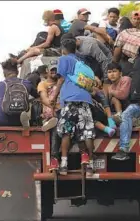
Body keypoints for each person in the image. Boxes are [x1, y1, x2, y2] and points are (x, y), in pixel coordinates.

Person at [0, 58, 39, 170]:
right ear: (17, 71)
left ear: (4, 73)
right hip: (22, 122)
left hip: (2, 121)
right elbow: (38, 97)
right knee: (34, 109)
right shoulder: (26, 83)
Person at [49, 36, 96, 176]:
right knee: (87, 133)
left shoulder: (63, 59)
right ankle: (90, 166)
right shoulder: (81, 61)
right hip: (85, 99)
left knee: (66, 132)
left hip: (70, 100)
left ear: (63, 49)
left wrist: (54, 96)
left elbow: (61, 79)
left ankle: (63, 165)